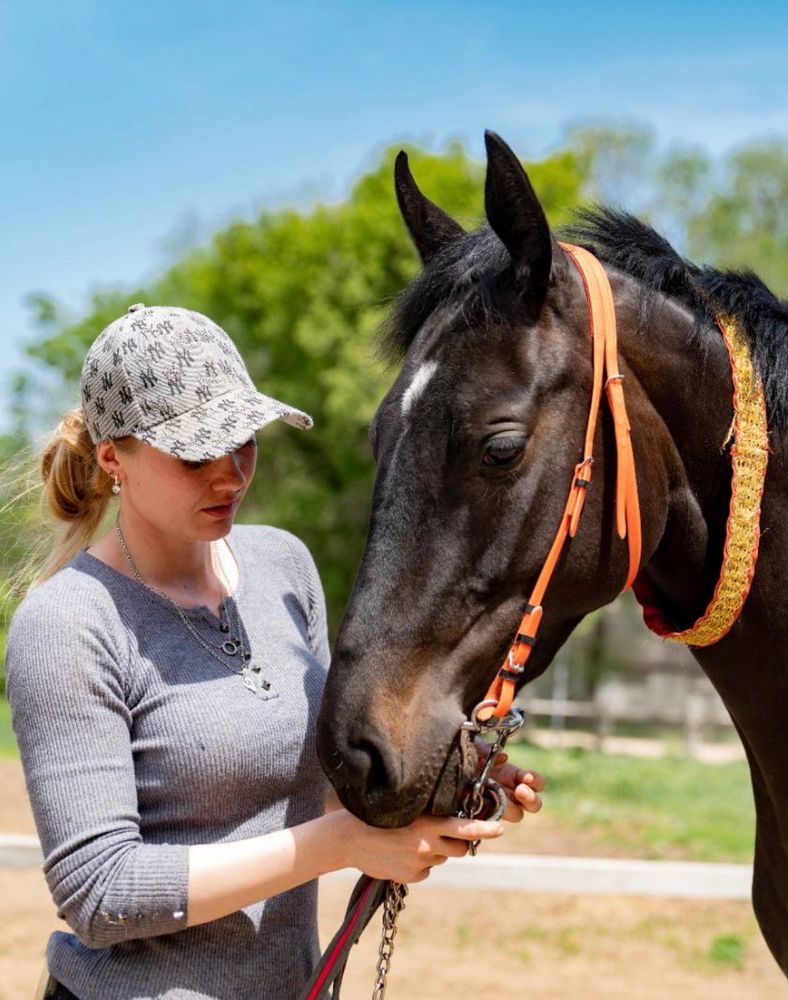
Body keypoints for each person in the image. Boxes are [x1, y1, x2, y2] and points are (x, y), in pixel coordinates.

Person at [5, 305, 545, 1000]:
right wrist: (340, 846)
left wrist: (446, 781)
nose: (230, 474)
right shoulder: (69, 621)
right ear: (114, 459)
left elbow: (307, 780)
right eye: (197, 453)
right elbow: (99, 893)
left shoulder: (282, 566)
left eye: (244, 441)